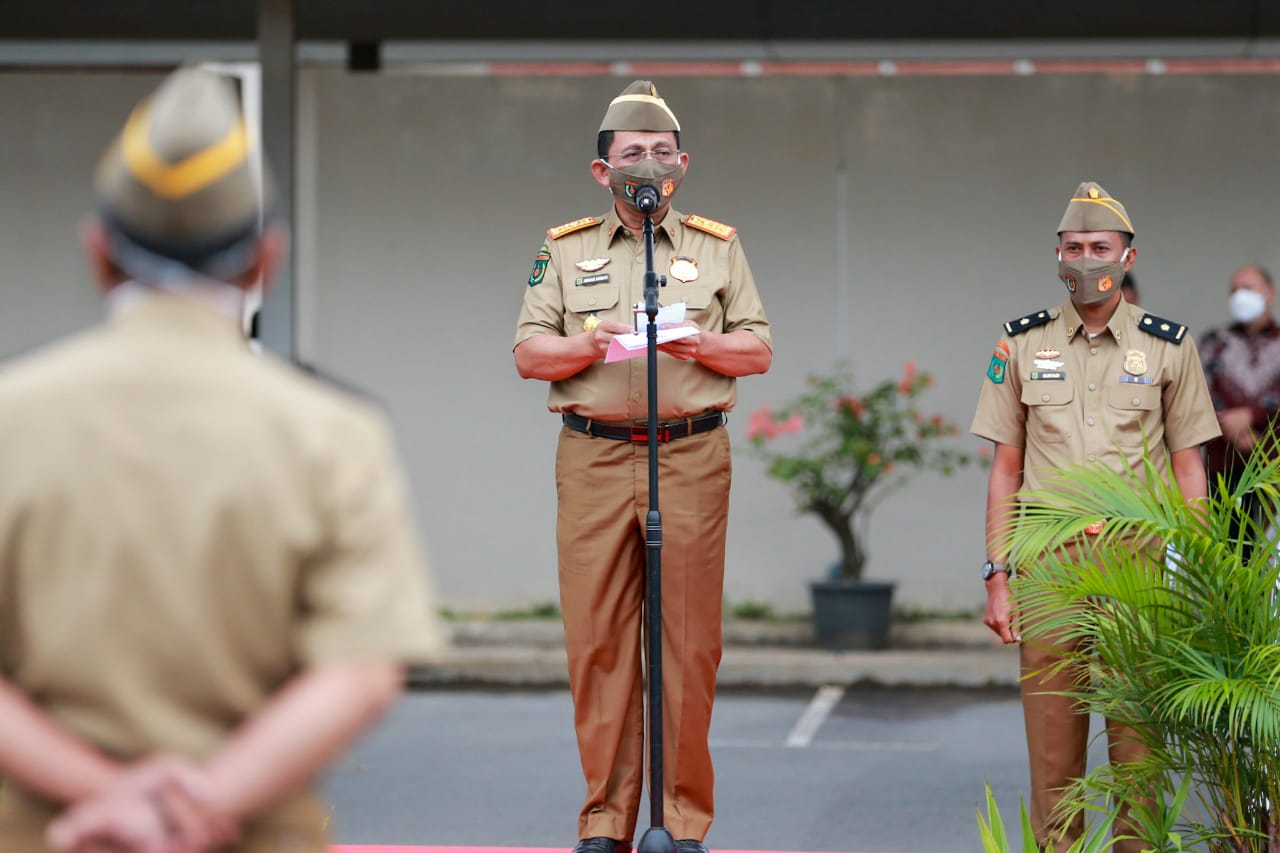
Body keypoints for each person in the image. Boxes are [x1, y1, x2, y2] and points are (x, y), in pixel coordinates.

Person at [0, 67, 442, 852]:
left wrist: (114, 798)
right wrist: (198, 803)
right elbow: (361, 671)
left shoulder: (12, 415)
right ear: (265, 259)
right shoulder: (332, 431)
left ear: (98, 252)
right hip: (249, 832)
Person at [513, 81, 771, 853]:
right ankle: (605, 821)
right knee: (598, 642)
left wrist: (698, 342)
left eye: (661, 153)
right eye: (632, 154)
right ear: (602, 171)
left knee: (688, 645)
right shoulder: (564, 249)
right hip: (592, 455)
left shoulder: (716, 246)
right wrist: (590, 343)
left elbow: (757, 347)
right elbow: (529, 353)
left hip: (690, 453)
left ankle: (682, 822)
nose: (647, 165)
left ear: (682, 165)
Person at [970, 182, 1219, 852]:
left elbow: (1191, 469)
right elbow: (1005, 467)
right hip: (1049, 568)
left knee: (1139, 753)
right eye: (1074, 246)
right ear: (1057, 254)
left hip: (1136, 565)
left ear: (1128, 254)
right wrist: (998, 572)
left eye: (1100, 247)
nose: (1086, 259)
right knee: (1053, 755)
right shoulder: (1020, 343)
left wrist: (1194, 571)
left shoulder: (1171, 347)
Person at [1198, 263, 1280, 555]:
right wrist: (1229, 423)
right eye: (1234, 290)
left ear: (1269, 294)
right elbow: (1199, 393)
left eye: (1248, 289)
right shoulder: (1214, 342)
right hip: (1224, 467)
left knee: (1270, 555)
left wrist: (1251, 416)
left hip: (1273, 467)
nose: (1239, 296)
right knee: (1229, 554)